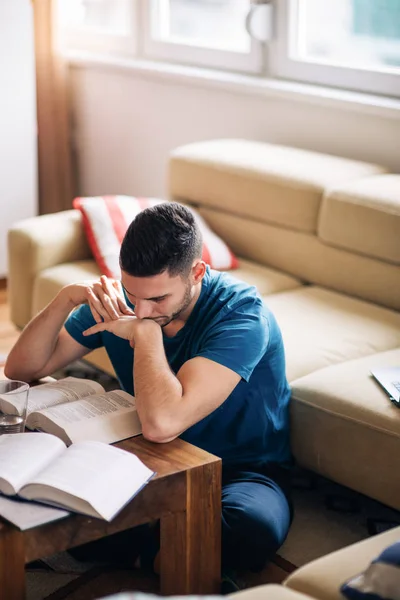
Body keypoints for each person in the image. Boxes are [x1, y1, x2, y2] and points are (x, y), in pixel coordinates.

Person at [5, 202, 292, 589]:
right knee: (53, 503)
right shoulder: (131, 297)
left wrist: (146, 336)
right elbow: (21, 370)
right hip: (146, 457)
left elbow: (163, 423)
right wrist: (65, 300)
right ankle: (169, 553)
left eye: (158, 300)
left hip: (239, 468)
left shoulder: (242, 316)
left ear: (196, 273)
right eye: (131, 293)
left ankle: (141, 552)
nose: (140, 309)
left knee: (253, 528)